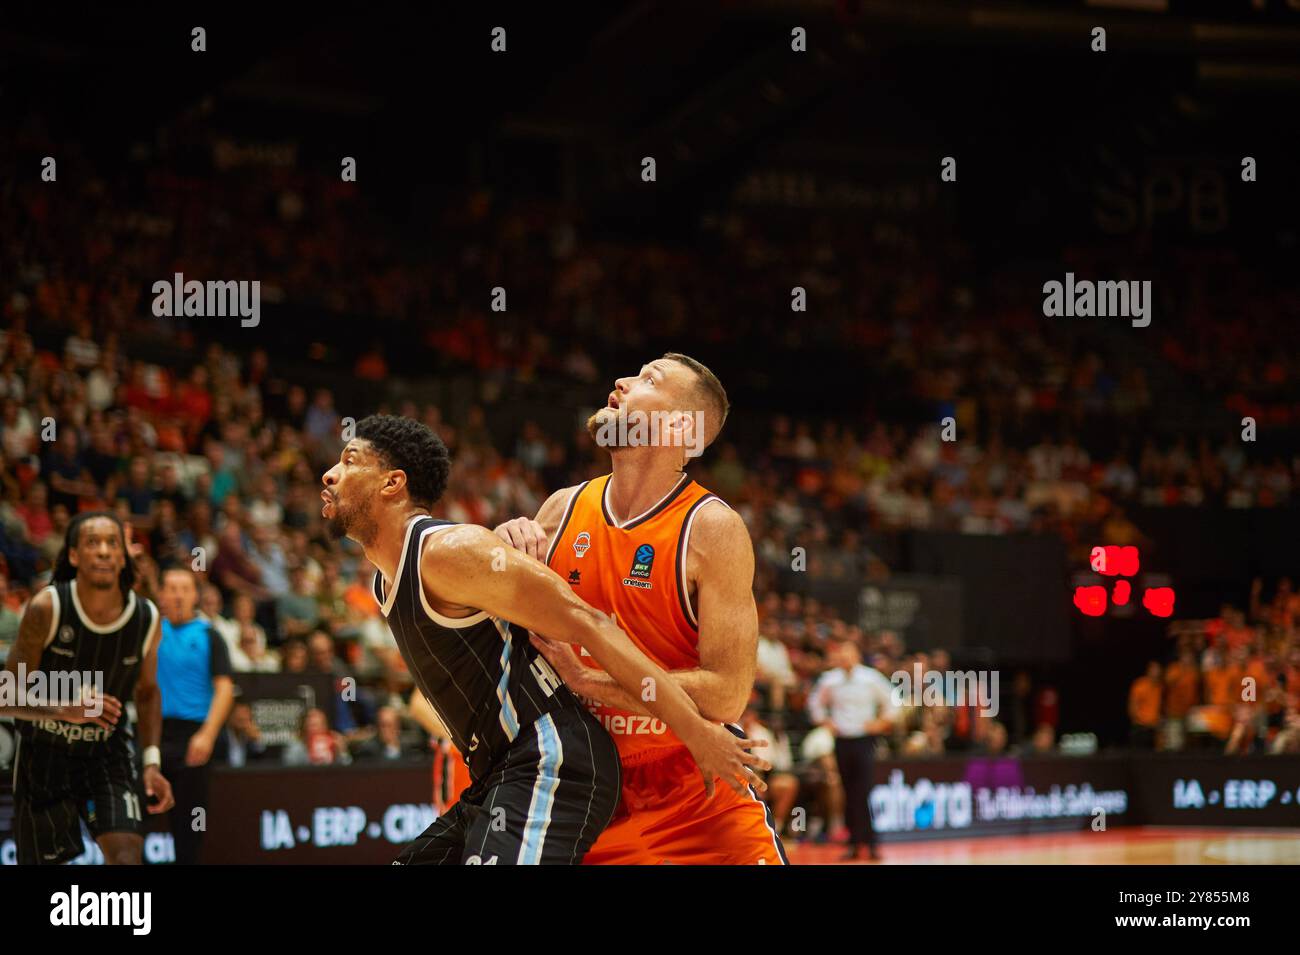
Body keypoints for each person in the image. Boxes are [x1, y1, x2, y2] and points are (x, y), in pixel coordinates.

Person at [322, 414, 766, 865]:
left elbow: (590, 623)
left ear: (392, 483)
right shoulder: (387, 580)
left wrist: (695, 732)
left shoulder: (447, 551)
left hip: (554, 757)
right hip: (500, 770)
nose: (330, 473)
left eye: (349, 460)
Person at [494, 353, 787, 864]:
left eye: (649, 378)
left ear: (680, 426)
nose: (621, 380)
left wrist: (589, 680)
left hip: (695, 787)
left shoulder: (711, 529)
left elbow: (726, 696)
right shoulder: (560, 510)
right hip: (586, 791)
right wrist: (494, 558)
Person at [1, 511, 175, 864]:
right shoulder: (47, 607)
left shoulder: (146, 618)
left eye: (112, 543)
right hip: (43, 753)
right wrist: (67, 709)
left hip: (105, 752)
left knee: (127, 855)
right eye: (92, 543)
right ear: (75, 556)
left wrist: (152, 762)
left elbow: (146, 692)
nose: (104, 551)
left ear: (123, 556)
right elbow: (6, 696)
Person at [156, 567, 235, 864]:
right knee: (136, 825)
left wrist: (207, 735)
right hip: (154, 735)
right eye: (171, 588)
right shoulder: (151, 631)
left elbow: (225, 690)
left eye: (184, 589)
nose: (177, 595)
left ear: (194, 595)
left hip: (194, 737)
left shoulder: (209, 635)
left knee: (188, 829)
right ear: (161, 594)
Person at [808, 638, 897, 861]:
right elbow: (814, 703)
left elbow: (893, 701)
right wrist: (824, 721)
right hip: (842, 740)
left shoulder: (870, 677)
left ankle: (872, 842)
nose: (845, 658)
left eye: (849, 653)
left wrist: (881, 722)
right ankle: (855, 843)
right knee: (848, 792)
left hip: (864, 739)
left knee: (863, 791)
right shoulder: (831, 679)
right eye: (842, 654)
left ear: (857, 655)